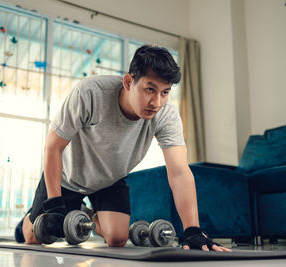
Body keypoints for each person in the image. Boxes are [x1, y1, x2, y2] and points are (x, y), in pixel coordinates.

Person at [14, 45, 231, 252]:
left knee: (117, 238)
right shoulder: (90, 93)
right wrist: (53, 205)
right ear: (128, 82)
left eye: (165, 92)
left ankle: (80, 212)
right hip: (67, 177)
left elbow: (179, 172)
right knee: (34, 237)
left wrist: (192, 229)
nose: (156, 102)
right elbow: (53, 146)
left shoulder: (166, 115)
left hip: (109, 180)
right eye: (149, 89)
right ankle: (31, 218)